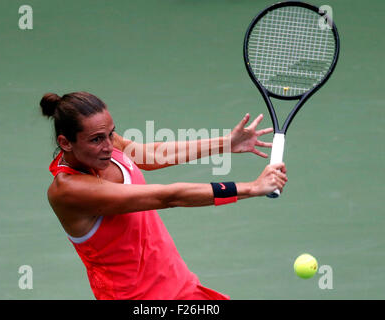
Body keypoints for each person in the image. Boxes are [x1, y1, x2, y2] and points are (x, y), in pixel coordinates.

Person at [41, 91, 288, 300]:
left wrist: (226, 144)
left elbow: (150, 155)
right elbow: (169, 196)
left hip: (179, 285)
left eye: (111, 134)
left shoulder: (105, 143)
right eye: (96, 140)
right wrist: (251, 188)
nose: (109, 145)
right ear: (65, 143)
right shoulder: (70, 190)